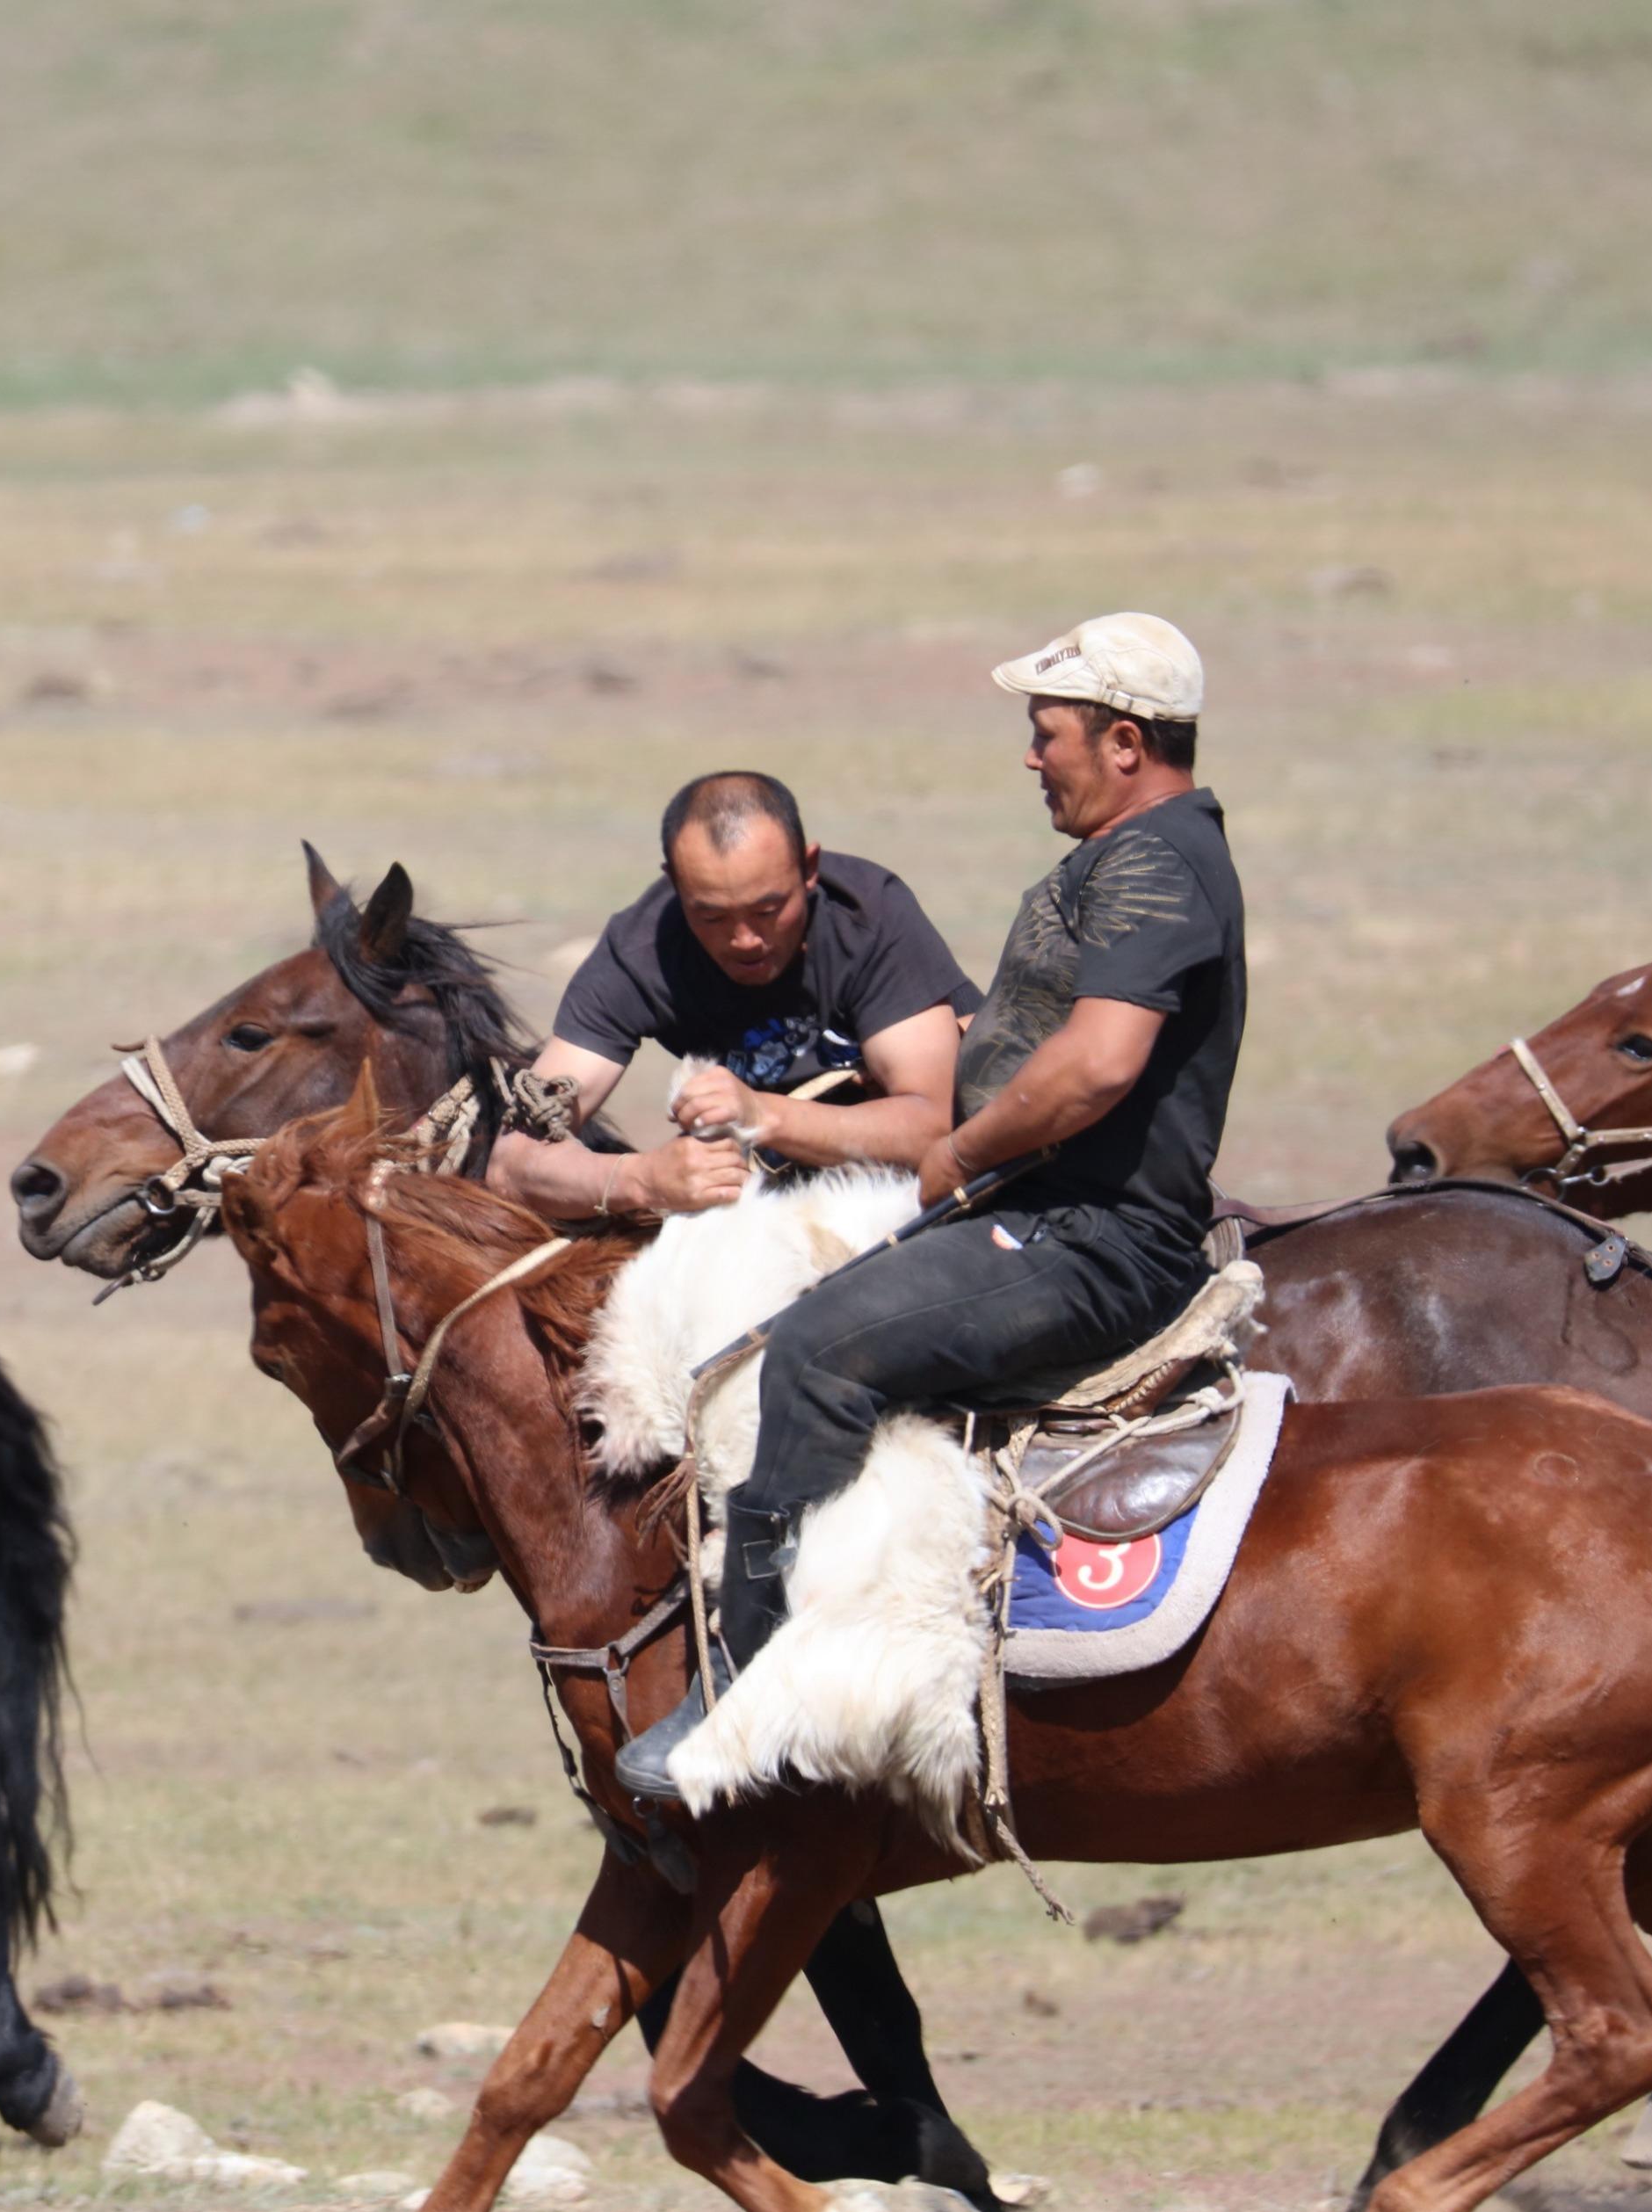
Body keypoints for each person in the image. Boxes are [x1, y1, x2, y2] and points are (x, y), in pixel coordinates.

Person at [617, 614, 1246, 1802]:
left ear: (1123, 741)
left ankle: (743, 1681)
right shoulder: (1141, 854)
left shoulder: (1157, 862)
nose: (1031, 755)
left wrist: (964, 1145)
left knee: (807, 1353)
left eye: (1045, 732)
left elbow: (1102, 1062)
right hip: (1051, 1215)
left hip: (1090, 1239)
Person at [489, 772, 979, 1222]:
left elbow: (938, 1128)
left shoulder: (869, 915)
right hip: (758, 1205)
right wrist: (644, 1179)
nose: (745, 940)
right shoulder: (639, 953)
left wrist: (763, 1115)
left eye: (769, 910)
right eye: (713, 917)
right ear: (676, 885)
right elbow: (514, 1164)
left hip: (914, 1194)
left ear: (808, 868)